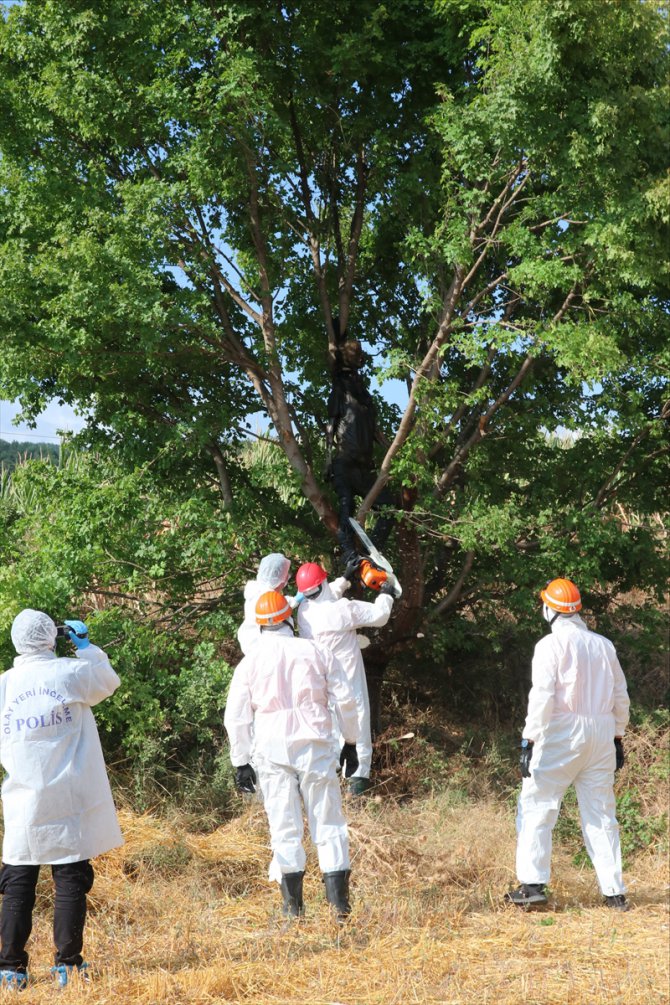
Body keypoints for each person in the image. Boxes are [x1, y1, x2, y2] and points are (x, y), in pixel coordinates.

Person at [0, 610, 123, 990]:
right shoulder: (69, 673)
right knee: (69, 879)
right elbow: (107, 681)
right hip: (67, 799)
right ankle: (67, 967)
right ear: (52, 638)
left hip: (22, 801)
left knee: (18, 884)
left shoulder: (4, 685)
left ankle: (10, 969)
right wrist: (85, 646)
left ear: (18, 641)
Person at [224, 590, 359, 921]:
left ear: (260, 626)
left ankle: (292, 911)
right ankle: (340, 910)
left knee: (283, 828)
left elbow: (236, 717)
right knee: (328, 824)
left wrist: (240, 761)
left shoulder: (250, 661)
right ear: (288, 618)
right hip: (315, 745)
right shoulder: (315, 650)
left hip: (272, 751)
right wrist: (352, 742)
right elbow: (346, 699)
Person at [505, 579, 631, 911]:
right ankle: (614, 893)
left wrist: (528, 739)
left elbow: (542, 697)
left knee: (538, 806)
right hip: (602, 733)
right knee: (601, 814)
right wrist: (618, 735)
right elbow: (621, 696)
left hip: (562, 731)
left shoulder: (550, 646)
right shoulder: (604, 645)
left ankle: (532, 886)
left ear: (549, 609)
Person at [295, 561, 397, 796]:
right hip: (347, 679)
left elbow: (322, 595)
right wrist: (386, 593)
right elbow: (380, 616)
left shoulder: (304, 611)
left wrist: (345, 579)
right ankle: (356, 787)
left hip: (320, 681)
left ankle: (330, 786)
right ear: (322, 582)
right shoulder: (342, 610)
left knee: (329, 731)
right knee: (357, 727)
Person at [325, 324, 396, 566]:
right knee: (346, 510)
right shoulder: (340, 388)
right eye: (354, 354)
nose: (359, 358)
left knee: (390, 507)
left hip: (365, 467)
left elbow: (375, 430)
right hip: (345, 462)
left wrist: (391, 453)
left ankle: (370, 552)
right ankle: (349, 555)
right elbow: (330, 425)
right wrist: (327, 462)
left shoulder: (363, 394)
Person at [237, 553, 291, 655]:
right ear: (280, 579)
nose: (287, 577)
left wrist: (295, 600)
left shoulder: (258, 590)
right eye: (286, 574)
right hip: (264, 650)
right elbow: (274, 616)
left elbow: (278, 605)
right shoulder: (264, 599)